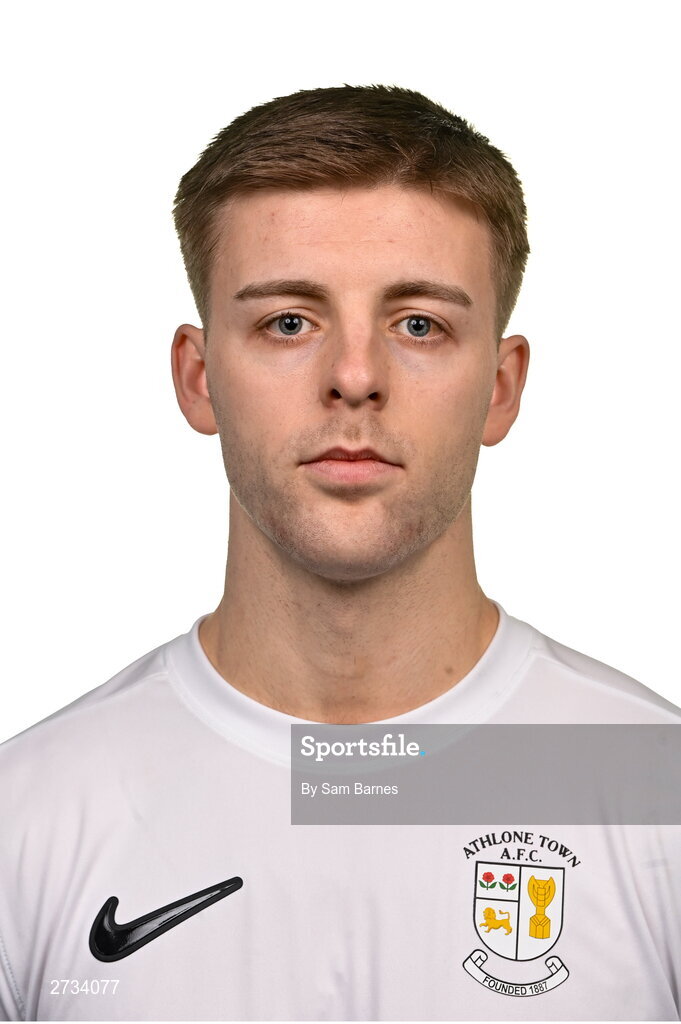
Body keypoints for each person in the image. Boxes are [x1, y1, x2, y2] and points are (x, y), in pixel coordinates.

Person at [0, 83, 679, 1022]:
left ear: (500, 387)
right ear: (199, 380)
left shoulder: (657, 797)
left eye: (418, 325)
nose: (354, 378)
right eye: (288, 321)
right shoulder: (27, 821)